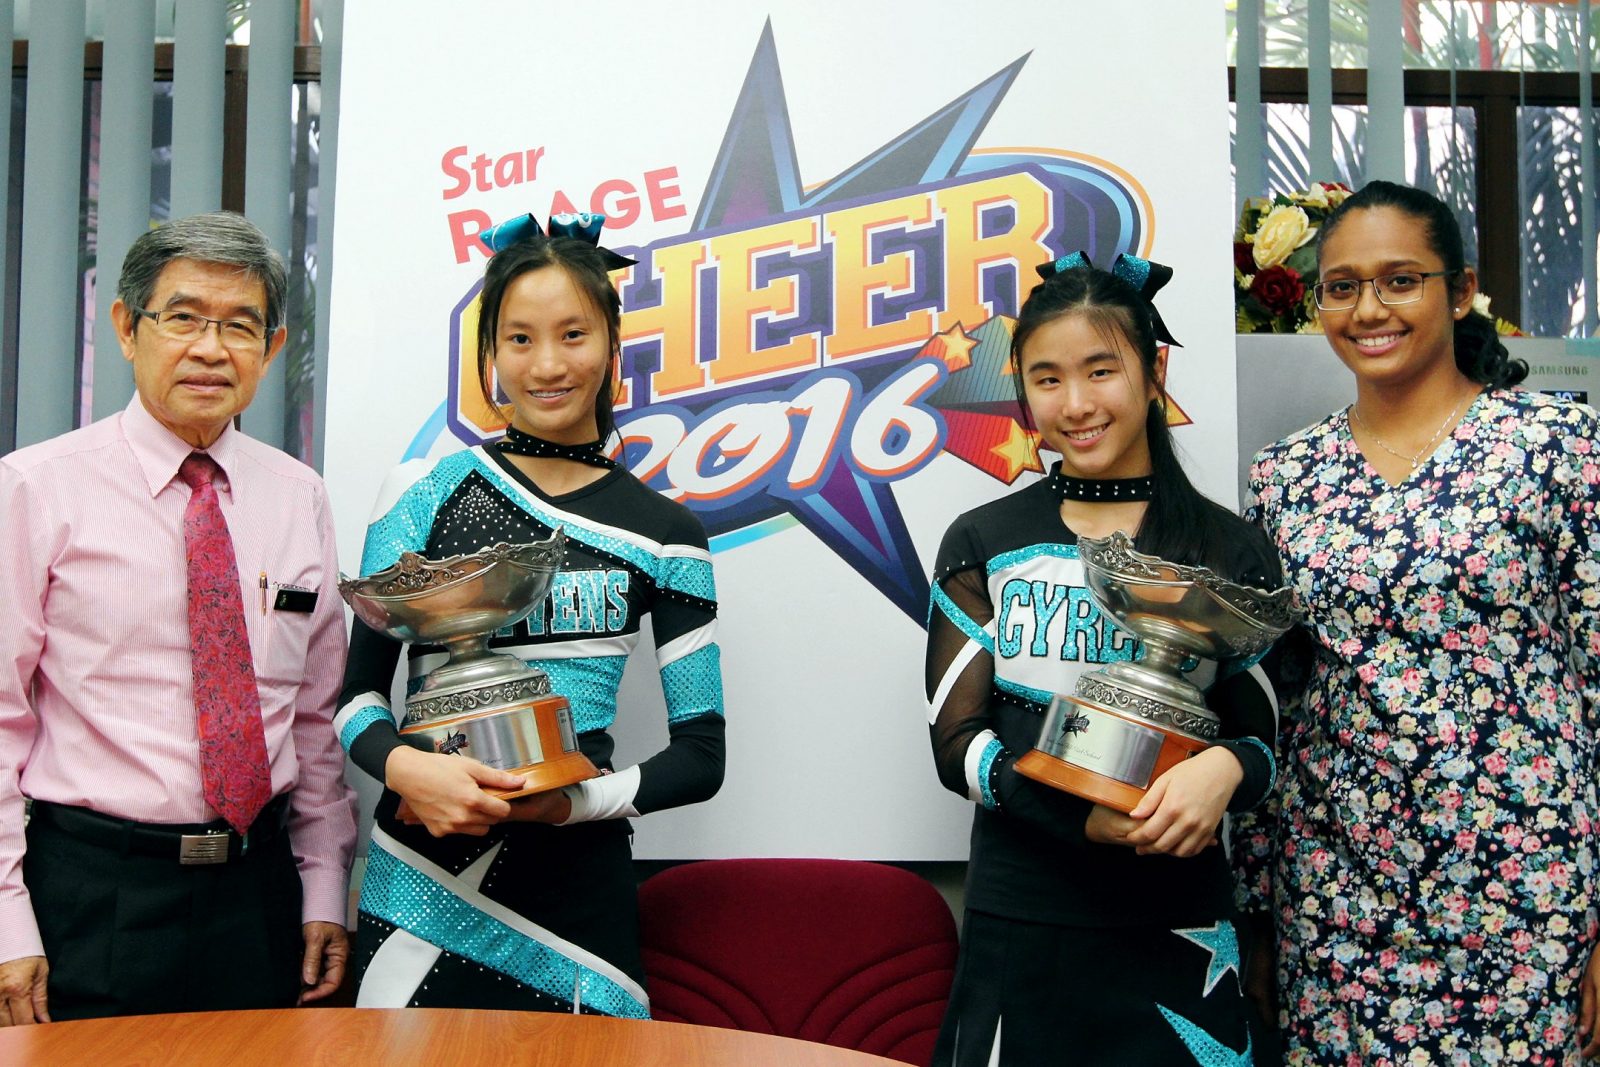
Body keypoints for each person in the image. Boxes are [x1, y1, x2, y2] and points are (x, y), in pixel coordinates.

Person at [1237, 179, 1600, 1063]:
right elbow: (1273, 697)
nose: (1370, 309)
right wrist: (1254, 905)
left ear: (1461, 289)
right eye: (1343, 286)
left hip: (1529, 888)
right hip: (1337, 896)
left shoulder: (1558, 445)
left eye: (1401, 280)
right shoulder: (1286, 475)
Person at [335, 212, 724, 1017]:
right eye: (519, 338)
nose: (547, 364)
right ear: (489, 354)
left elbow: (702, 753)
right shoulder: (422, 493)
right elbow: (357, 698)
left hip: (579, 895)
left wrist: (574, 803)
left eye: (573, 334)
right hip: (422, 881)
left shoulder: (667, 533)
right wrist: (406, 768)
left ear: (612, 345)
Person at [925, 251, 1284, 1065]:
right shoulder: (982, 540)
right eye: (1047, 379)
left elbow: (1267, 741)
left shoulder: (1228, 549)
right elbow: (957, 745)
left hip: (1184, 927)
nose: (1077, 404)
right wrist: (1074, 818)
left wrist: (1225, 769)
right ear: (1023, 392)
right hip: (1024, 920)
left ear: (1155, 373)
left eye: (1101, 370)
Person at [0, 212, 358, 1024]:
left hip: (258, 897)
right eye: (184, 317)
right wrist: (6, 920)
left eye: (239, 326)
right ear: (128, 328)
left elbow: (313, 721)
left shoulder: (297, 496)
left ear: (272, 347)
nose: (210, 348)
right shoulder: (36, 489)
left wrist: (322, 885)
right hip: (92, 894)